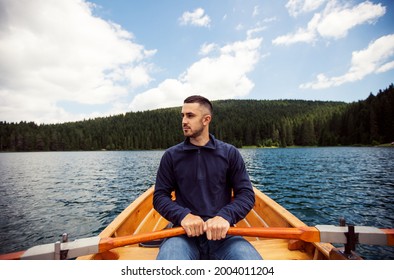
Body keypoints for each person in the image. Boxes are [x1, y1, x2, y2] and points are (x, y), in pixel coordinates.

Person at [153, 95, 262, 260]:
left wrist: (225, 216)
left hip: (224, 235)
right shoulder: (171, 156)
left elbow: (246, 194)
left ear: (206, 119)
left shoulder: (229, 153)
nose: (184, 121)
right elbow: (160, 197)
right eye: (182, 115)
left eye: (190, 116)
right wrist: (183, 216)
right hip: (183, 235)